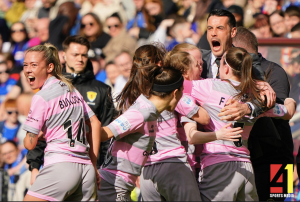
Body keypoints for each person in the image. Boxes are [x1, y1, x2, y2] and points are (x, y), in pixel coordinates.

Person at [182, 47, 296, 201]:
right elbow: (287, 111)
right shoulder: (257, 95)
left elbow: (176, 85)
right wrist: (289, 100)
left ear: (227, 67)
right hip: (248, 167)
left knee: (278, 196)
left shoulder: (208, 87)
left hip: (220, 166)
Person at [26, 36, 115, 186]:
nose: (80, 59)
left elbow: (106, 131)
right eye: (75, 54)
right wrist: (34, 167)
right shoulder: (52, 88)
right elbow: (39, 129)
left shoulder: (101, 89)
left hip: (90, 165)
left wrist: (102, 167)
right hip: (57, 162)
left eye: (84, 55)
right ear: (64, 56)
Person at [99, 66, 184, 201]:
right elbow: (104, 133)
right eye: (182, 92)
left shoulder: (150, 111)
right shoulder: (142, 113)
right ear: (175, 93)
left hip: (119, 186)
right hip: (112, 187)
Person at [232, 26, 294, 201]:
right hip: (253, 157)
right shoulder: (236, 73)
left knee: (279, 199)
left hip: (279, 158)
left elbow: (279, 107)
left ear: (239, 49)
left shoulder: (274, 71)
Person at [200, 9, 275, 121]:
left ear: (233, 32)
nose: (213, 33)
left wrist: (247, 108)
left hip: (238, 133)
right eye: (210, 28)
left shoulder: (247, 59)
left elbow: (264, 97)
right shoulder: (196, 59)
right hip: (203, 133)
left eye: (220, 28)